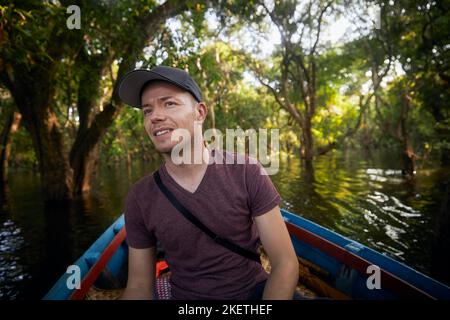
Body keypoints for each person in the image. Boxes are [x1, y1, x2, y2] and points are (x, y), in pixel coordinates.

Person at [117, 66, 299, 300]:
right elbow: (139, 288)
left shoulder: (246, 172)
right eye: (147, 110)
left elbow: (285, 264)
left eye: (169, 103)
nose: (155, 116)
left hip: (254, 294)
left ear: (200, 113)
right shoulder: (140, 197)